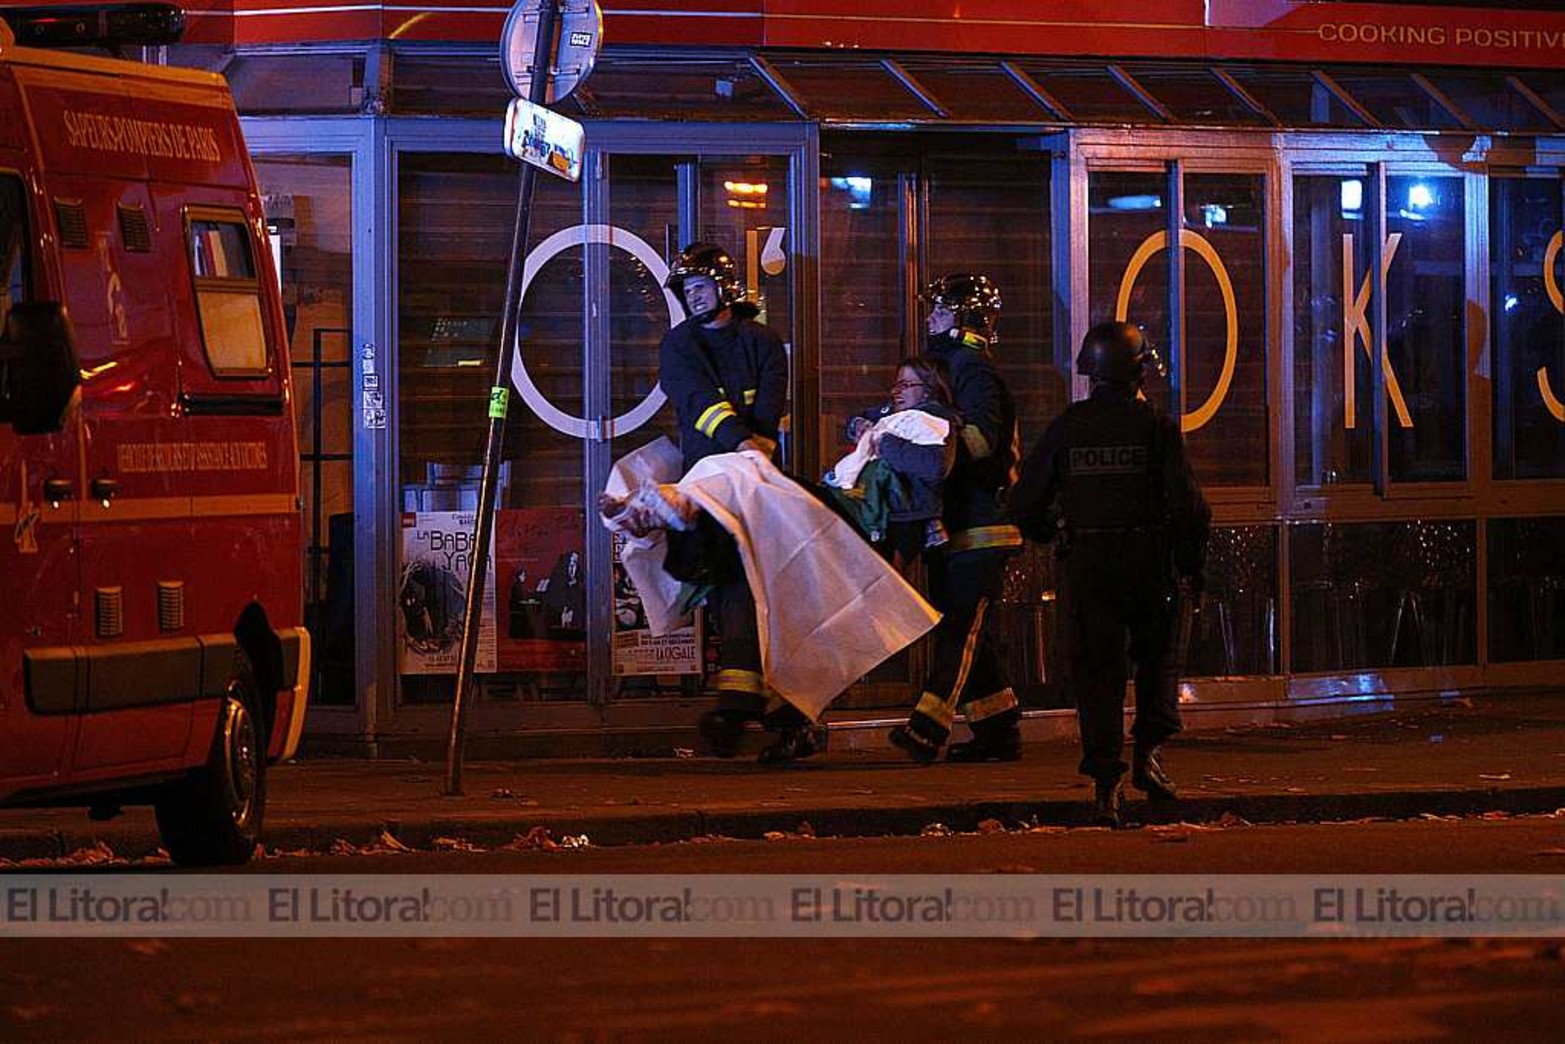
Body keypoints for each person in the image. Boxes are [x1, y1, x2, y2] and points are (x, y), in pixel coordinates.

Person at [1008, 321, 1211, 827]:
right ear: (1139, 371)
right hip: (1148, 560)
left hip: (1088, 564)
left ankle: (1106, 784)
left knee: (1097, 673)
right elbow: (1189, 508)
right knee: (1157, 661)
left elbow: (1023, 499)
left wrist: (1052, 531)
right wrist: (1191, 567)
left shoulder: (1068, 427)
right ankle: (1148, 757)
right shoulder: (1157, 428)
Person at [656, 241, 804, 762]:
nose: (694, 297)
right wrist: (744, 442)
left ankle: (775, 713)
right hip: (712, 485)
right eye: (688, 290)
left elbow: (769, 406)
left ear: (726, 288)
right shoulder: (678, 346)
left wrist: (752, 442)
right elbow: (697, 400)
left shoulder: (763, 341)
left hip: (760, 485)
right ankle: (767, 712)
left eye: (700, 287)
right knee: (730, 589)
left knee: (771, 597)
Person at [888, 273, 1026, 765]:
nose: (930, 319)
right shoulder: (949, 369)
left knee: (959, 629)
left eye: (940, 311)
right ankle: (998, 728)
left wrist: (934, 439)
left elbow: (981, 443)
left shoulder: (973, 370)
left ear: (965, 319)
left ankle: (927, 728)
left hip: (985, 522)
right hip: (959, 523)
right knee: (966, 629)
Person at [827, 356, 959, 569]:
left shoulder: (935, 422)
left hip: (904, 519)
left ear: (929, 388)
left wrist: (883, 441)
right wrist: (858, 425)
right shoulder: (892, 413)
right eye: (896, 384)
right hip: (877, 511)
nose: (896, 391)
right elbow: (861, 418)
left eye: (906, 385)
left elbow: (934, 466)